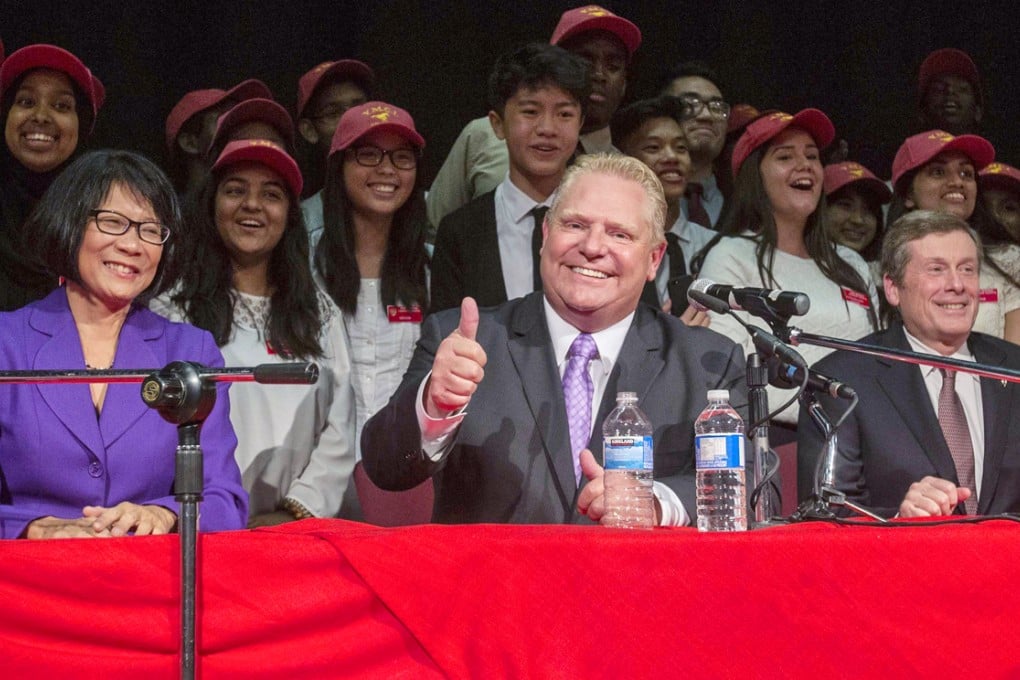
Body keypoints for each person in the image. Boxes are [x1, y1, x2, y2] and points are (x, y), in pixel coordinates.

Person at [361, 154, 747, 525]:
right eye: (575, 225)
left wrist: (658, 503)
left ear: (653, 259)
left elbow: (758, 492)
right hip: (494, 588)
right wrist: (433, 406)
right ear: (546, 234)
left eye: (619, 234)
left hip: (638, 588)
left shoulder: (708, 364)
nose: (593, 247)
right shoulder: (466, 343)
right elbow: (385, 469)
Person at [0, 150, 248, 539]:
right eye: (113, 222)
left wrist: (164, 514)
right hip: (27, 584)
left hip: (146, 581)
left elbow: (226, 500)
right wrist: (29, 527)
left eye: (150, 230)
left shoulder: (189, 352)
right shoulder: (7, 343)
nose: (133, 245)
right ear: (69, 224)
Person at [151, 140, 356, 525]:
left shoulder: (320, 312)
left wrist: (293, 512)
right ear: (212, 204)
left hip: (292, 533)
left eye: (271, 194)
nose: (252, 204)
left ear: (289, 216)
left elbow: (341, 425)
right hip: (198, 529)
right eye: (235, 190)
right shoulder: (171, 310)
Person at [797, 210, 1020, 517]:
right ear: (892, 288)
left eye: (967, 269)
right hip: (901, 561)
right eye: (936, 269)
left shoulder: (1014, 368)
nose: (957, 284)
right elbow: (824, 514)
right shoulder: (839, 381)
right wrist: (898, 521)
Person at [696, 110, 879, 429]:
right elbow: (726, 372)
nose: (805, 165)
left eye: (812, 156)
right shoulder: (731, 256)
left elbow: (876, 362)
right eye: (785, 156)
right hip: (776, 439)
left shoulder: (851, 264)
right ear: (755, 175)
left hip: (858, 437)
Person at [425, 4, 641, 230]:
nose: (599, 74)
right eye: (584, 61)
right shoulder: (484, 134)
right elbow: (435, 231)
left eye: (613, 66)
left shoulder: (626, 174)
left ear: (625, 82)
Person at [430, 43, 589, 314]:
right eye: (530, 111)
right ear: (498, 124)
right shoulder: (460, 233)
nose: (547, 128)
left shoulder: (606, 225)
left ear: (581, 124)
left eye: (564, 114)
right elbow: (444, 336)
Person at [314, 101, 429, 455]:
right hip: (316, 467)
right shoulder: (302, 264)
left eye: (401, 157)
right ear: (339, 166)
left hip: (404, 466)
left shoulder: (432, 268)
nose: (386, 169)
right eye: (368, 154)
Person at [0, 44, 105, 312]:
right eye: (26, 102)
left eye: (61, 105)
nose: (41, 116)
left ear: (81, 125)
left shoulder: (105, 217)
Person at [889, 130, 1020, 342]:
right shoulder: (875, 272)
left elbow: (1015, 362)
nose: (957, 182)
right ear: (908, 195)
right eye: (938, 172)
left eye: (966, 174)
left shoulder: (1011, 261)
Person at [611, 94, 713, 321]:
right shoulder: (608, 246)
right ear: (624, 159)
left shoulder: (715, 247)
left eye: (680, 148)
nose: (671, 157)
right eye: (653, 147)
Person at [164, 79, 272, 199]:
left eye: (240, 118)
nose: (239, 127)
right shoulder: (165, 215)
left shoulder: (259, 207)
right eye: (223, 118)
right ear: (189, 143)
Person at [295, 58, 374, 224]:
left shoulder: (417, 205)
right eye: (333, 113)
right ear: (309, 130)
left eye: (359, 108)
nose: (350, 119)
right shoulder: (301, 222)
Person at [658, 61, 729, 228]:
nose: (706, 116)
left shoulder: (749, 205)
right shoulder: (636, 194)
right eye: (690, 103)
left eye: (717, 107)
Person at [822, 161, 892, 271]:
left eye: (869, 209)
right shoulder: (798, 268)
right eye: (845, 205)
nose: (858, 220)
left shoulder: (884, 277)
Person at [916, 48, 983, 136]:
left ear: (977, 112)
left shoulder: (986, 150)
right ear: (922, 112)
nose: (950, 91)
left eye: (962, 89)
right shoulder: (910, 149)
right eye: (939, 89)